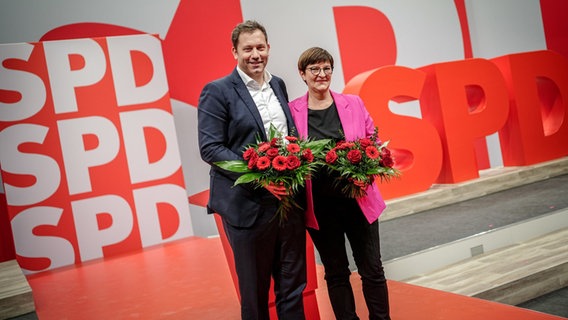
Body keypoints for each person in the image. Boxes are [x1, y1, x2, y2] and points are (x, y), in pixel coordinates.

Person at [197, 20, 306, 320]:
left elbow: (288, 136)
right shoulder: (217, 91)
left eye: (260, 47)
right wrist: (261, 179)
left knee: (293, 286)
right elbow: (211, 149)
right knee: (256, 294)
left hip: (287, 202)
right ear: (235, 52)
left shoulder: (278, 84)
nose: (255, 54)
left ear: (268, 48)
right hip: (246, 206)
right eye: (247, 49)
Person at [289, 47, 391, 320]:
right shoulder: (292, 111)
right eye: (314, 69)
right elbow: (290, 154)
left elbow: (374, 142)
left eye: (326, 69)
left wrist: (367, 169)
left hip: (359, 201)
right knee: (336, 273)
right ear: (303, 74)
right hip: (321, 208)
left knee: (372, 269)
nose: (322, 75)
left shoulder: (353, 103)